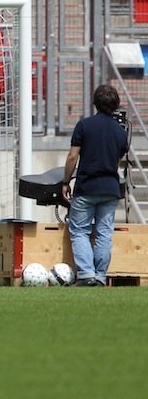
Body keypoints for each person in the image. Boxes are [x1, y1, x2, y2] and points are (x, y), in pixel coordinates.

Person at [61, 84, 129, 287]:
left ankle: (86, 273)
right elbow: (117, 161)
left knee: (80, 230)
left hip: (87, 186)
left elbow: (73, 156)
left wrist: (66, 181)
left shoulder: (84, 125)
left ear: (95, 103)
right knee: (104, 232)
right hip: (110, 188)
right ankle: (100, 276)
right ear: (116, 104)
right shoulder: (120, 132)